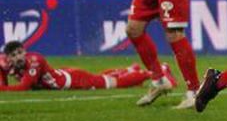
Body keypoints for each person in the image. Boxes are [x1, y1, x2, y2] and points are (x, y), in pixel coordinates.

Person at [0, 41, 152, 92]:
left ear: (24, 51)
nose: (18, 57)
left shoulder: (34, 61)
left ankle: (151, 74)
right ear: (9, 59)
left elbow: (24, 87)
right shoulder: (12, 65)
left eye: (20, 52)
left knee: (112, 83)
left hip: (75, 81)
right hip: (64, 74)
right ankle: (131, 70)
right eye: (13, 55)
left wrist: (2, 88)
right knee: (99, 77)